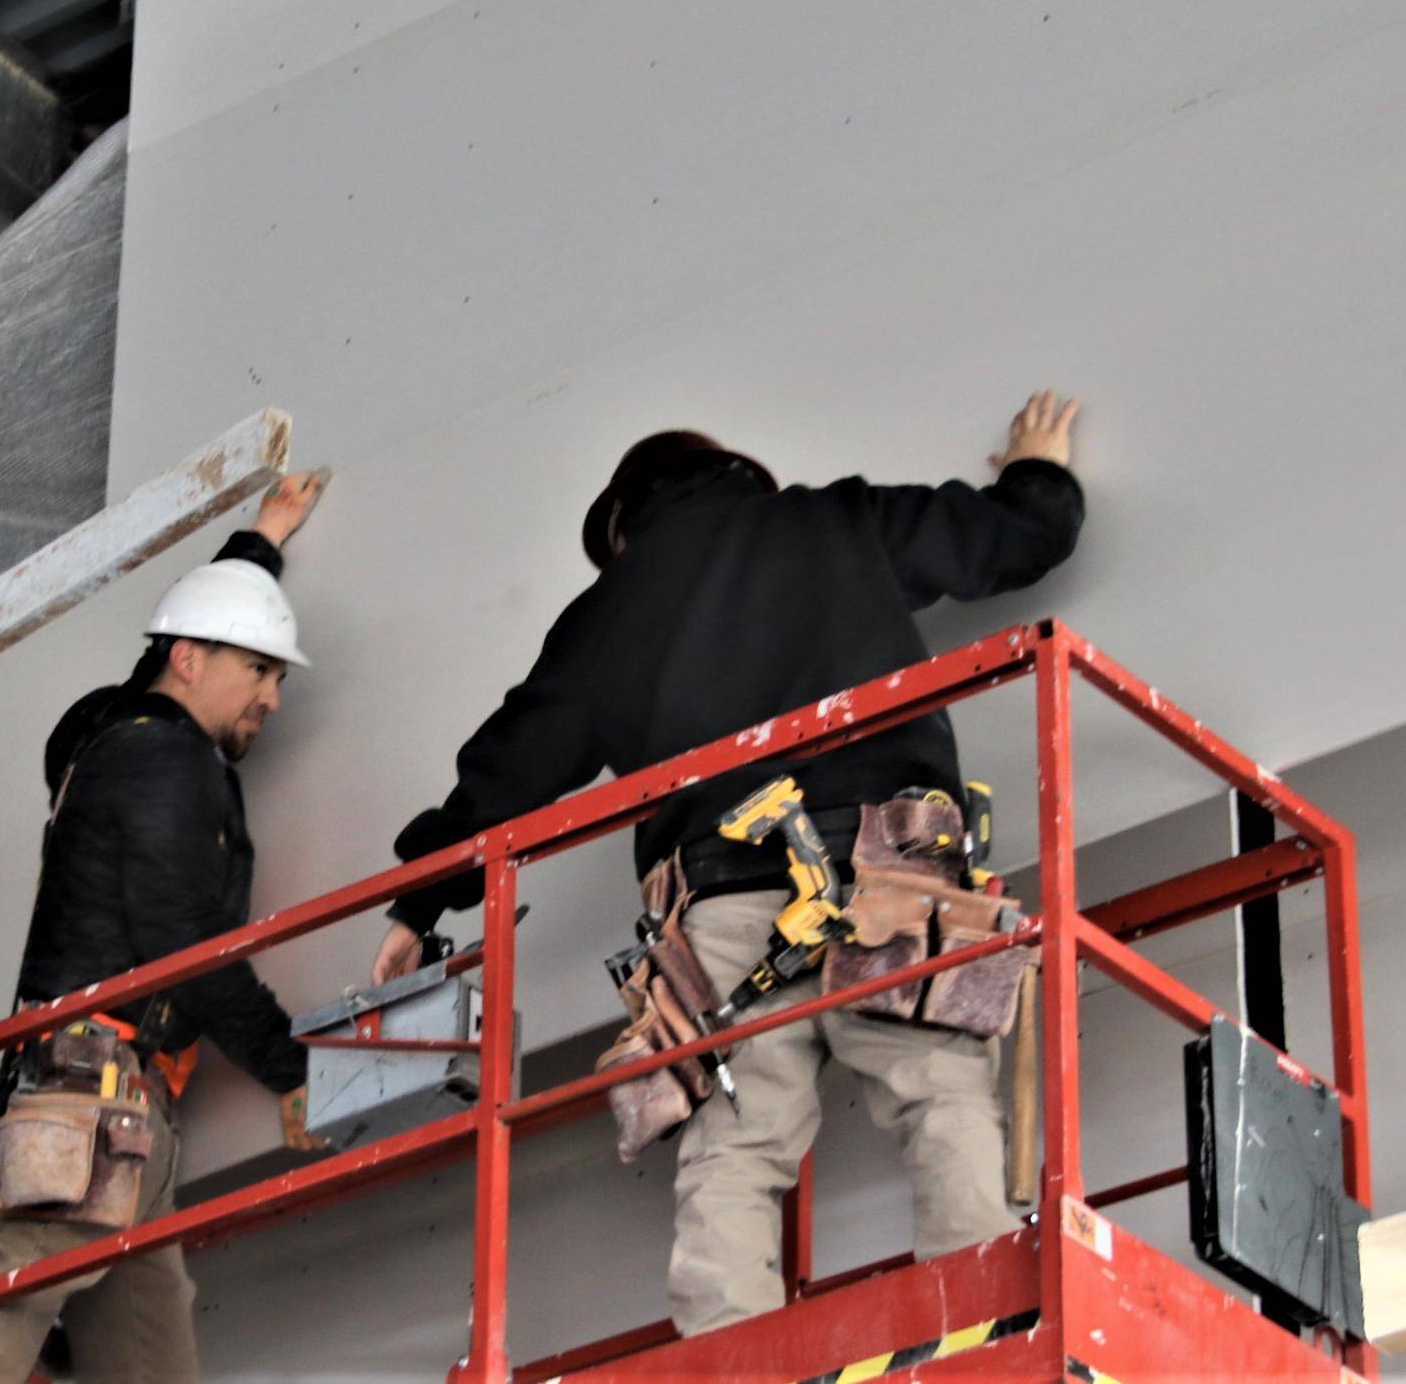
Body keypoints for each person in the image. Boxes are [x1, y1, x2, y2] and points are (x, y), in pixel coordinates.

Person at [370, 393, 1084, 1335]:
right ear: (733, 474)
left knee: (735, 1149)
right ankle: (990, 1329)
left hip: (726, 897)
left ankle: (731, 1360)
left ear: (624, 526)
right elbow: (1010, 538)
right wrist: (1040, 473)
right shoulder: (833, 520)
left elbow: (512, 768)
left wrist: (422, 902)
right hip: (892, 863)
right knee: (939, 1091)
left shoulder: (611, 611)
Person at [0, 471, 332, 1383]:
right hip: (91, 1088)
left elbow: (197, 623)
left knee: (148, 1351)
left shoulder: (127, 739)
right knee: (22, 1288)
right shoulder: (159, 755)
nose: (271, 696)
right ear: (190, 659)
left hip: (126, 1106)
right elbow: (180, 937)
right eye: (258, 669)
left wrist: (261, 540)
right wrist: (292, 1067)